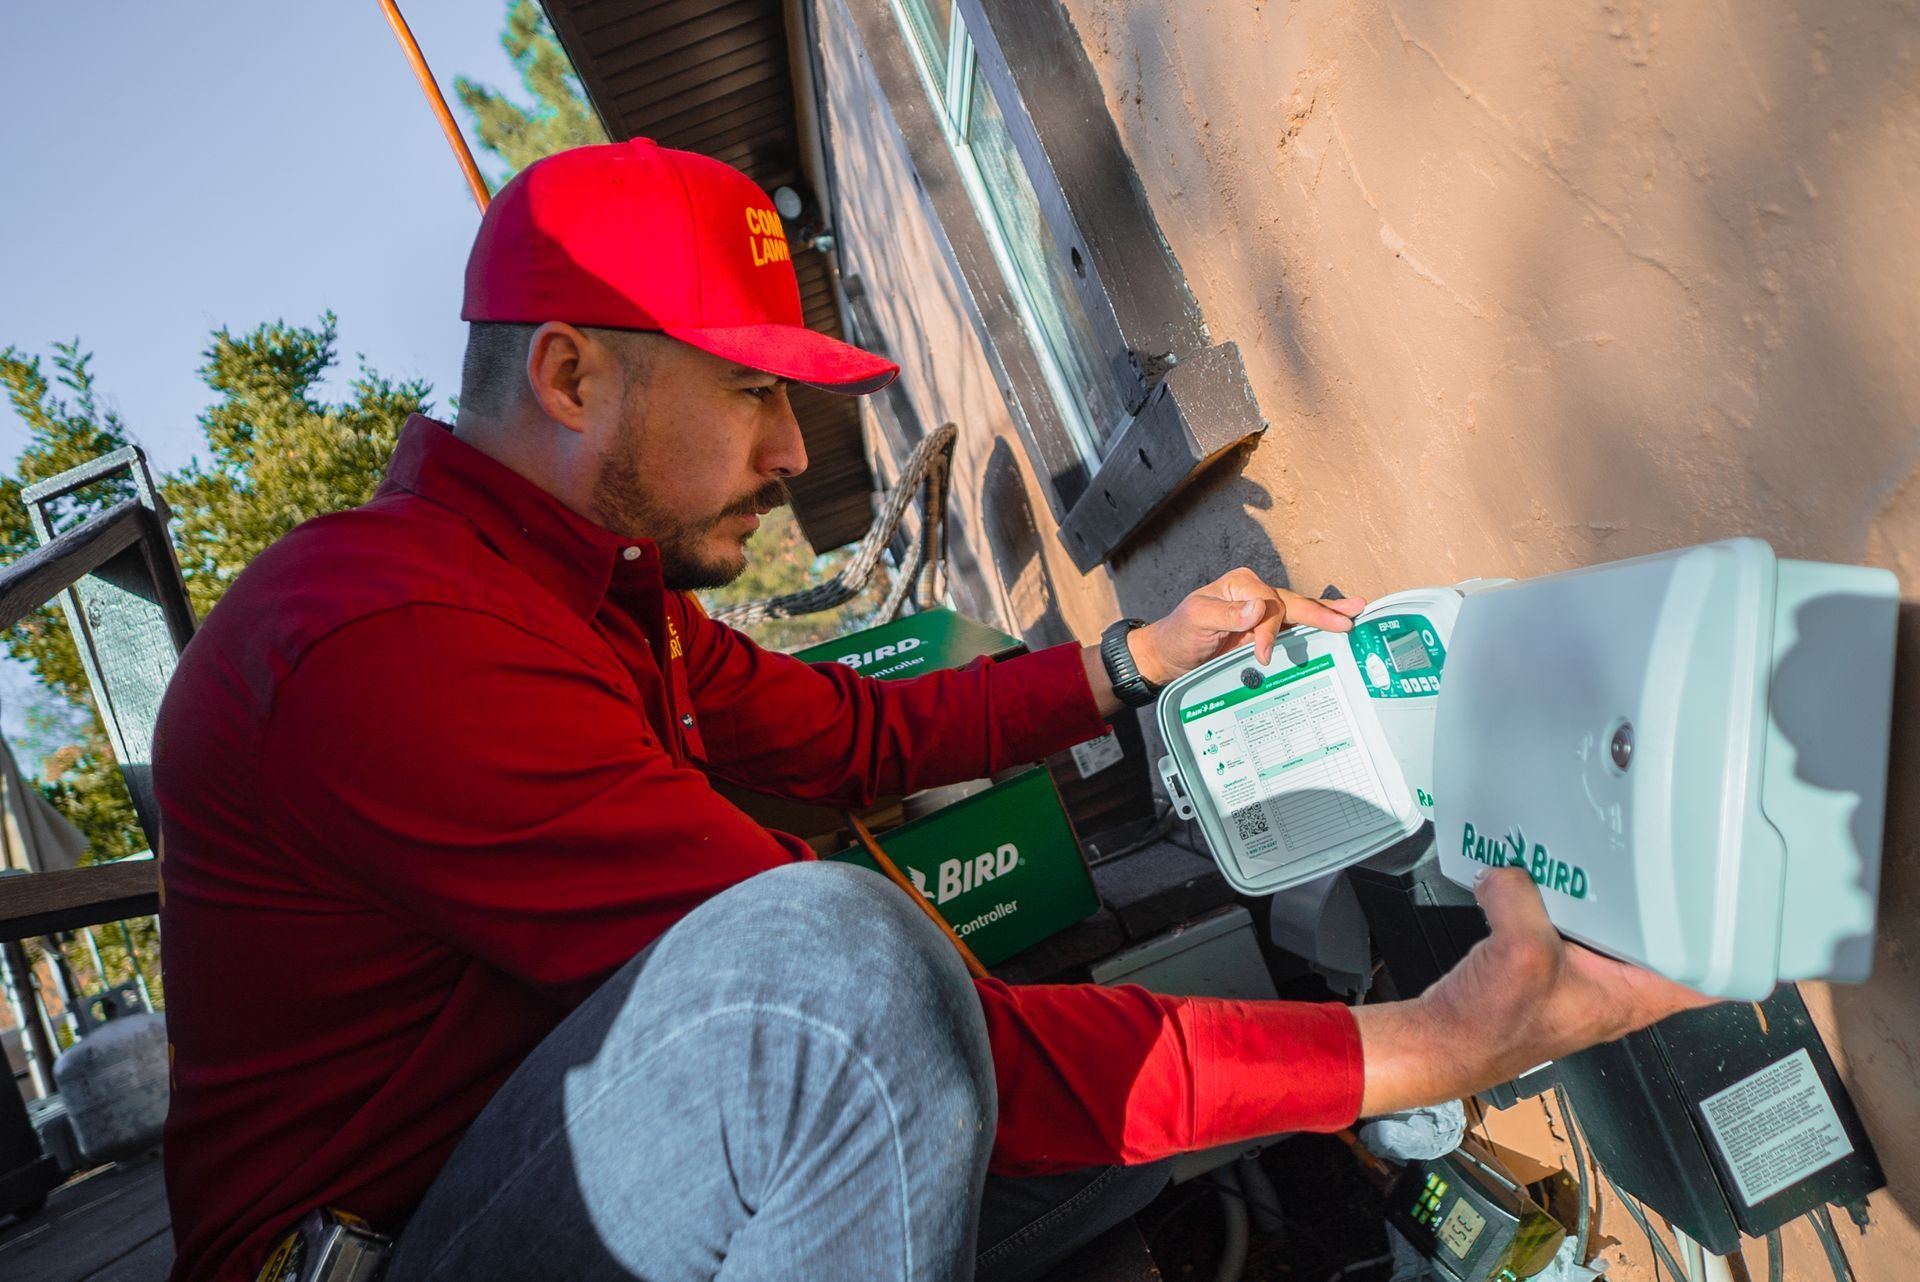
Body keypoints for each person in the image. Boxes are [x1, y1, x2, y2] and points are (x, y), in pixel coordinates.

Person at [153, 139, 1708, 1282]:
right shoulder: (389, 641)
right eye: (755, 390)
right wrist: (1425, 1040)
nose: (790, 448)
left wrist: (1135, 659)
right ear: (570, 377)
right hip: (397, 1248)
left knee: (1172, 1116)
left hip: (576, 1176)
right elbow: (863, 1021)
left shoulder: (597, 598)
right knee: (842, 968)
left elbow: (862, 739)